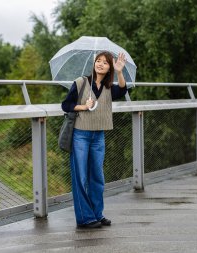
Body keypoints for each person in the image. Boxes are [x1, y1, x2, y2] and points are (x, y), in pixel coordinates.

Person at [61, 51, 128, 228]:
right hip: (80, 135)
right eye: (98, 61)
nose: (100, 64)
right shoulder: (81, 82)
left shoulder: (108, 87)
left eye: (105, 63)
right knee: (80, 176)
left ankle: (97, 214)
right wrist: (84, 106)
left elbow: (122, 90)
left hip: (98, 136)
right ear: (93, 64)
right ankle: (85, 218)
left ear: (109, 68)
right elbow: (66, 105)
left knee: (97, 177)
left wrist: (120, 71)